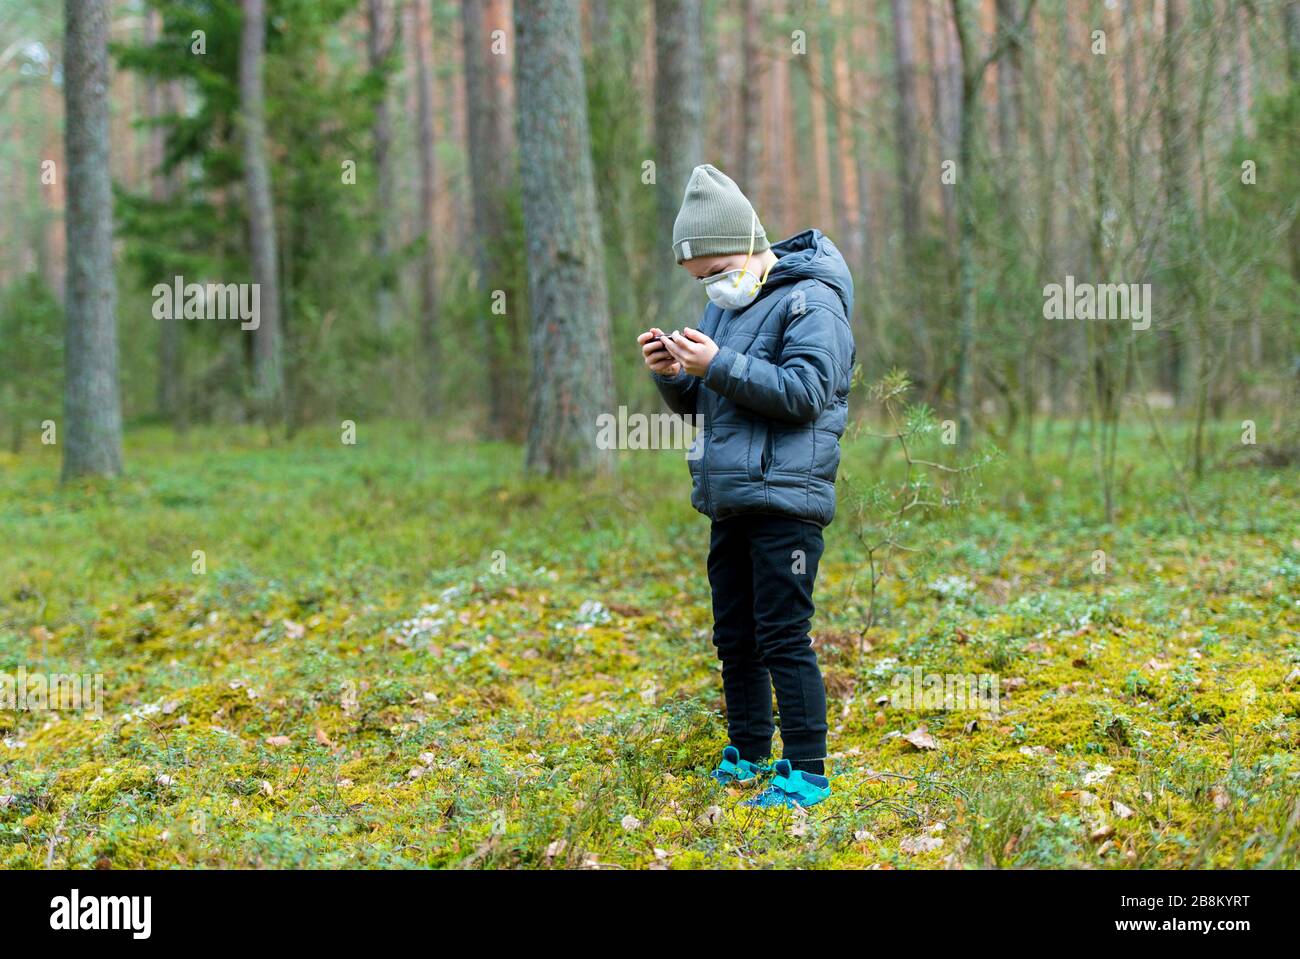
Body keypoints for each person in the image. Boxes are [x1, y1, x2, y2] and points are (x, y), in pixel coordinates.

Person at [637, 164, 855, 809]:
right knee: (734, 636)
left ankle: (806, 770)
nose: (710, 287)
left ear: (752, 243)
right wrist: (678, 376)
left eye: (716, 270)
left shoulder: (812, 300)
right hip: (730, 498)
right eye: (699, 280)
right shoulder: (726, 308)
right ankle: (750, 751)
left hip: (786, 499)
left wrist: (720, 363)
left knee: (783, 634)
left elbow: (804, 394)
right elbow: (715, 409)